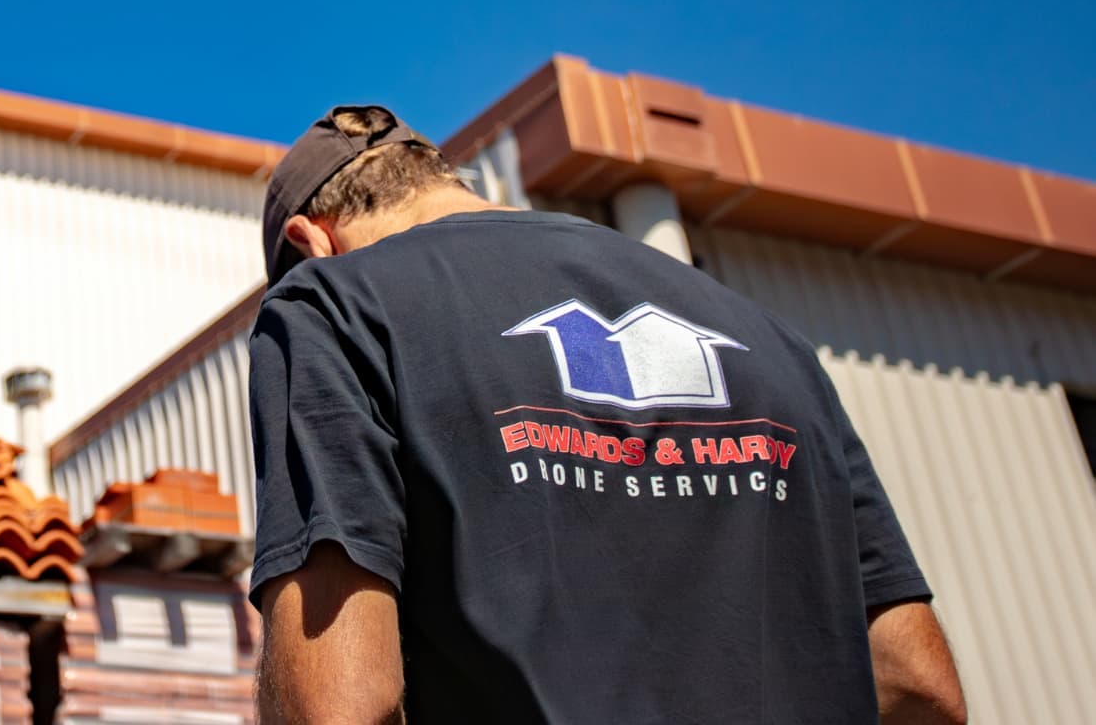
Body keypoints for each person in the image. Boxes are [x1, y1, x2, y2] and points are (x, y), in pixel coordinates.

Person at [248, 105, 966, 724]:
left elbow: (340, 704)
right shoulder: (768, 337)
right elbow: (917, 685)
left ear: (313, 243)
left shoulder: (333, 304)